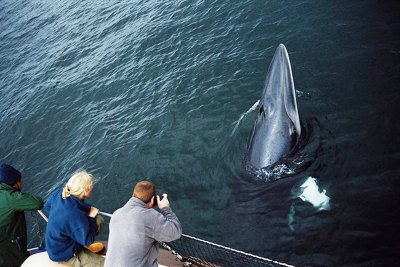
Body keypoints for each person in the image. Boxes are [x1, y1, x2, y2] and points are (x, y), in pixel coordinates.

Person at [105, 179, 182, 267]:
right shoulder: (150, 216)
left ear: (133, 195)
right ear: (153, 199)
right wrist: (165, 209)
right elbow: (176, 231)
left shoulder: (117, 214)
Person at [44, 171, 105, 267]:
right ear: (84, 191)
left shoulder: (60, 193)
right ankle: (80, 250)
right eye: (90, 186)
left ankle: (80, 243)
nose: (92, 187)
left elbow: (47, 206)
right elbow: (88, 240)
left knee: (99, 220)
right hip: (64, 254)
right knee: (106, 264)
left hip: (59, 243)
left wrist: (63, 223)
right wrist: (90, 217)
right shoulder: (73, 214)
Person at [0, 163, 44, 267]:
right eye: (20, 180)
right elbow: (37, 203)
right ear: (15, 183)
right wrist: (18, 195)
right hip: (5, 247)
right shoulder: (11, 197)